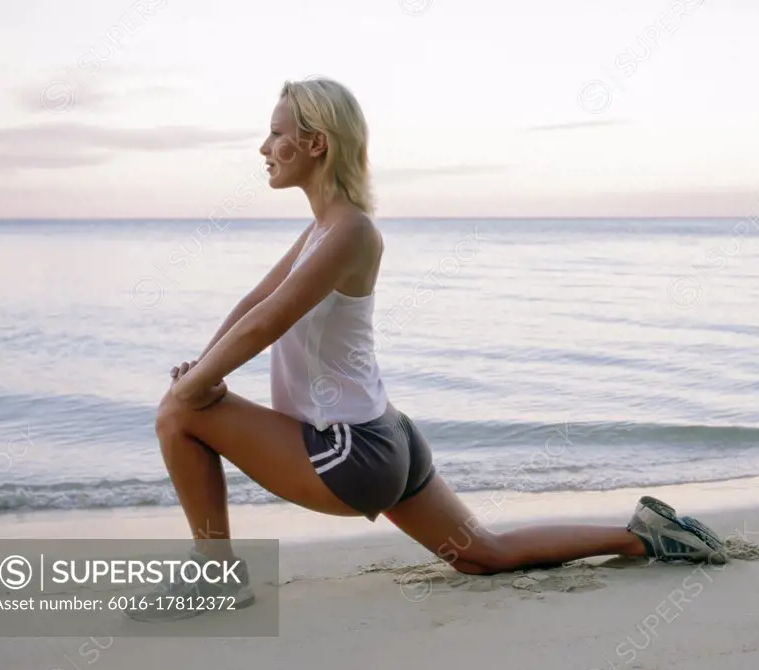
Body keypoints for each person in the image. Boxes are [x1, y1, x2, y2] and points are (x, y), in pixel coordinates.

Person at [129, 76, 727, 621]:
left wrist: (193, 388)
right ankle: (644, 536)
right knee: (482, 555)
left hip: (351, 453)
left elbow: (267, 324)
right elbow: (251, 307)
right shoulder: (321, 232)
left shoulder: (352, 232)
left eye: (277, 134)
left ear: (316, 144)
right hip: (387, 439)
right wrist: (201, 368)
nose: (263, 147)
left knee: (177, 413)